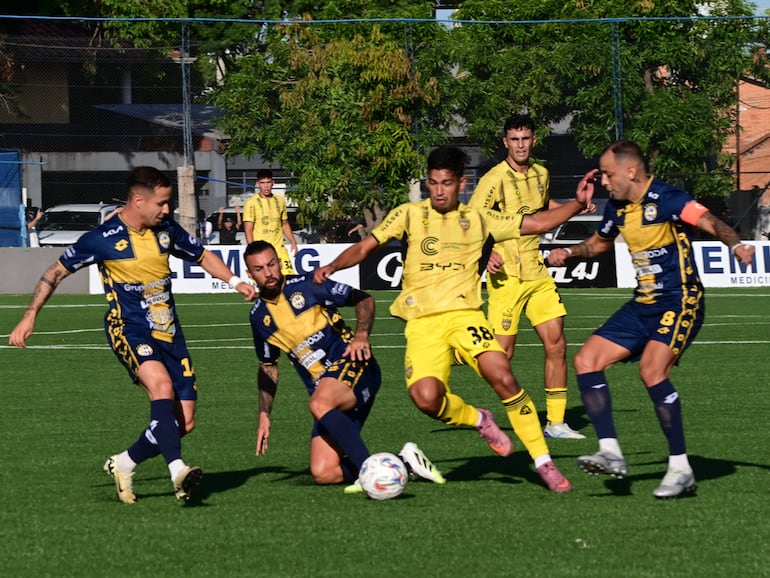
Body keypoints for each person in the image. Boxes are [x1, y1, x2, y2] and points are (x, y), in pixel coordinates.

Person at [314, 145, 597, 493]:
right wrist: (333, 266)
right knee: (426, 398)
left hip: (465, 316)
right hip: (422, 324)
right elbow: (365, 247)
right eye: (433, 183)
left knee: (502, 374)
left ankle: (543, 462)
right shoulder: (408, 214)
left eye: (446, 183)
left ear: (461, 184)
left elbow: (537, 222)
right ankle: (478, 418)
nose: (439, 191)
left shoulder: (479, 218)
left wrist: (577, 204)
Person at [8, 166, 257, 504]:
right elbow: (55, 272)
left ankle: (124, 463)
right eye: (162, 203)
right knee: (161, 387)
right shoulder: (103, 238)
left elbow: (202, 255)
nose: (167, 210)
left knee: (184, 422)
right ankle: (177, 471)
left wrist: (235, 282)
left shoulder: (165, 229)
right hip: (128, 328)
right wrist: (29, 316)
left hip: (169, 331)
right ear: (138, 200)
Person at [547, 140, 756, 498]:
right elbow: (599, 243)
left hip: (680, 299)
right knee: (586, 361)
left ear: (631, 171)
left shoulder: (667, 198)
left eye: (608, 174)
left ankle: (680, 469)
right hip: (642, 304)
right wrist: (570, 250)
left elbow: (710, 222)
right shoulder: (618, 207)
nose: (604, 182)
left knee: (652, 371)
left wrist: (735, 245)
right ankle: (610, 452)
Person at [243, 240, 445, 492]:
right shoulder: (258, 316)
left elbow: (364, 299)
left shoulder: (308, 284)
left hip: (355, 363)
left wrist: (361, 335)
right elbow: (268, 366)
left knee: (318, 404)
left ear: (279, 262)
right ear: (249, 274)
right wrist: (264, 414)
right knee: (324, 472)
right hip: (328, 391)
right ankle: (405, 462)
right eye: (259, 269)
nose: (268, 272)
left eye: (272, 264)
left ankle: (372, 475)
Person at [469, 113, 586, 440]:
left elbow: (542, 206)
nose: (520, 145)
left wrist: (572, 205)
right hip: (506, 276)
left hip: (537, 273)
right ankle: (458, 354)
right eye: (514, 139)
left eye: (525, 139)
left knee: (557, 342)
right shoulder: (493, 179)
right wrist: (485, 253)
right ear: (505, 142)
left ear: (534, 141)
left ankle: (556, 424)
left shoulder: (541, 174)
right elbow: (471, 219)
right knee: (501, 355)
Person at [242, 169, 298, 273]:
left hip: (279, 249)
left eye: (268, 182)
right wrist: (252, 249)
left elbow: (284, 223)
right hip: (261, 251)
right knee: (265, 279)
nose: (266, 186)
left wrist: (293, 241)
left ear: (273, 183)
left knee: (288, 277)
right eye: (263, 183)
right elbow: (248, 228)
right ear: (258, 184)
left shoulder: (280, 201)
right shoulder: (251, 203)